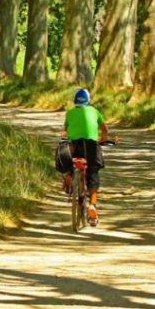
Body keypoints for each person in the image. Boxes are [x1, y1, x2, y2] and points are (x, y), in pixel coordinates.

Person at [60, 88, 110, 226]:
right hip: (91, 146)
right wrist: (102, 140)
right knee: (93, 172)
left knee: (66, 161)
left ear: (74, 101)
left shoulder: (70, 113)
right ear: (88, 101)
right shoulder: (94, 111)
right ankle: (92, 205)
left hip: (74, 146)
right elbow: (105, 130)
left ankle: (69, 179)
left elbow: (64, 132)